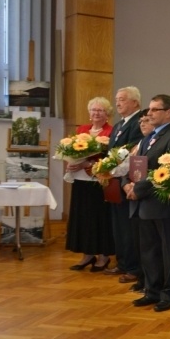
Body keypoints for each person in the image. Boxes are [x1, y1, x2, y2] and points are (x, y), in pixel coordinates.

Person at [124, 95, 170, 312]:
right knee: (149, 251)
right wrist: (126, 185)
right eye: (149, 110)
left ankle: (169, 294)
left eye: (154, 110)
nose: (149, 113)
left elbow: (165, 172)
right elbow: (134, 165)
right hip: (143, 205)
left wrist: (138, 189)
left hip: (162, 206)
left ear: (168, 112)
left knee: (169, 251)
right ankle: (152, 290)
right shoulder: (146, 138)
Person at [65, 97, 116, 272]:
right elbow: (73, 150)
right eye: (93, 110)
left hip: (98, 181)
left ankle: (103, 256)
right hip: (81, 181)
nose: (96, 113)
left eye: (100, 110)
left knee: (99, 218)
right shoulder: (82, 130)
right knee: (83, 217)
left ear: (107, 114)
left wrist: (88, 164)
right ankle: (86, 254)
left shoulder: (111, 131)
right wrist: (71, 162)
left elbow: (111, 157)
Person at [104, 86, 143, 278]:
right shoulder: (119, 125)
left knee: (128, 228)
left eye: (123, 99)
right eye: (117, 99)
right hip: (114, 183)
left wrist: (117, 171)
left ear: (135, 102)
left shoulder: (138, 123)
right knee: (118, 227)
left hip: (127, 181)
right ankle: (122, 262)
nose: (118, 102)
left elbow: (133, 154)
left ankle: (133, 267)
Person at [120, 109, 153, 290]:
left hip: (146, 198)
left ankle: (148, 282)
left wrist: (137, 188)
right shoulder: (138, 144)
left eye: (147, 120)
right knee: (138, 244)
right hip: (134, 198)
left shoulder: (154, 143)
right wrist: (126, 185)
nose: (143, 124)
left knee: (148, 247)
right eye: (140, 121)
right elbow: (127, 169)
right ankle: (142, 280)